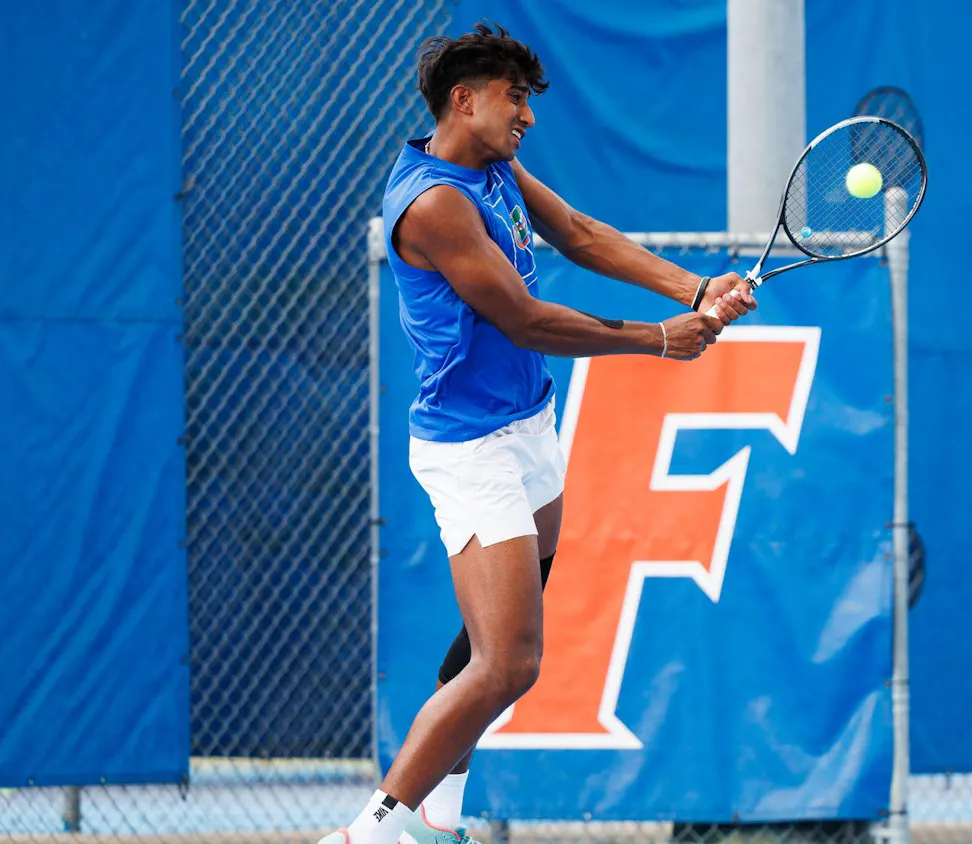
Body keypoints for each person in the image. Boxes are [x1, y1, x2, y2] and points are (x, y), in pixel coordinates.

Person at [319, 22, 756, 844]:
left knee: (502, 632)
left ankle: (441, 808)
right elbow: (520, 319)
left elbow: (580, 234)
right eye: (514, 98)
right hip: (469, 446)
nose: (527, 116)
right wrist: (658, 338)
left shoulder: (495, 167)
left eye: (527, 100)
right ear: (465, 99)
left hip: (528, 426)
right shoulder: (436, 203)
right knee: (511, 662)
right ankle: (369, 832)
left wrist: (697, 286)